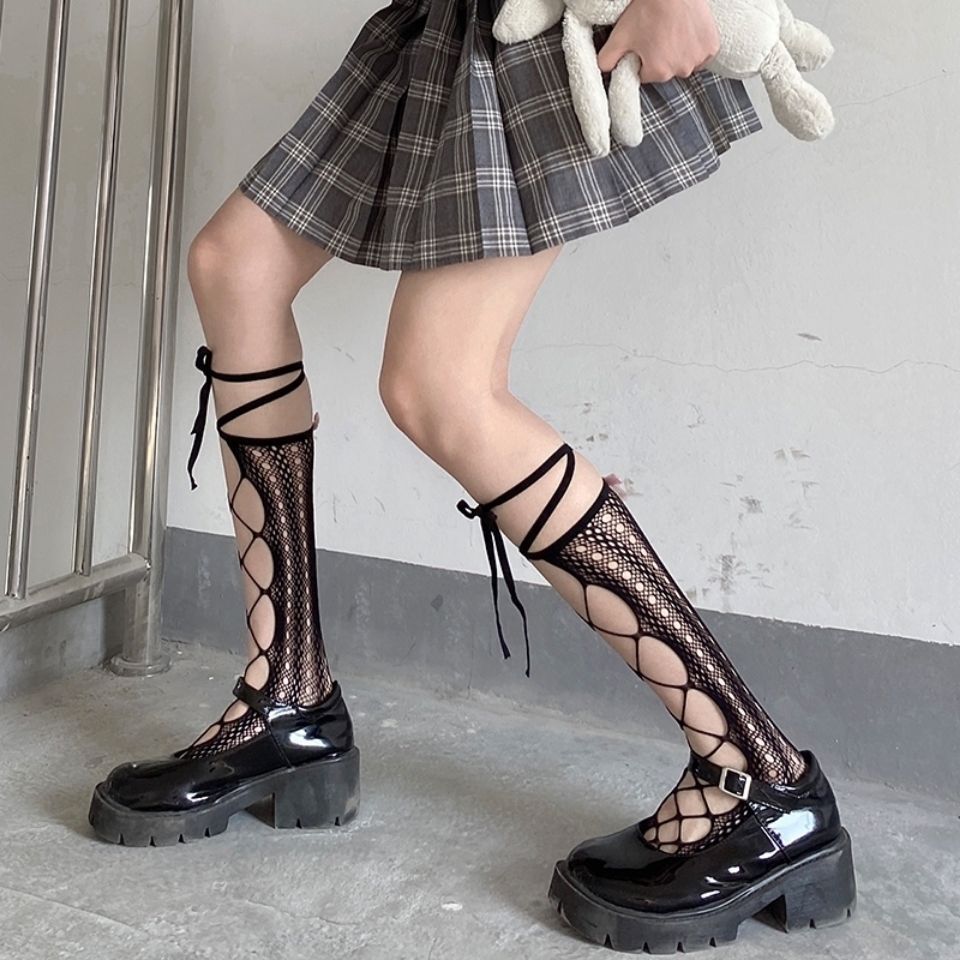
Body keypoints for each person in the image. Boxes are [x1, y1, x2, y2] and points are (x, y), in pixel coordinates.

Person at [87, 0, 856, 952]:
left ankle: (762, 775)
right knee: (235, 266)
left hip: (543, 29)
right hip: (445, 25)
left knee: (440, 389)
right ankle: (287, 700)